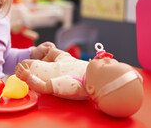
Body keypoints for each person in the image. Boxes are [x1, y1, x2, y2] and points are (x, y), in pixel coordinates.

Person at [15, 43, 144, 118]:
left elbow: (44, 87)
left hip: (50, 71)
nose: (107, 58)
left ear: (91, 89)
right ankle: (46, 58)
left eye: (105, 64)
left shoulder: (74, 85)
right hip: (67, 61)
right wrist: (55, 55)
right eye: (114, 61)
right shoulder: (92, 74)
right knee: (53, 51)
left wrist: (28, 77)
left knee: (26, 63)